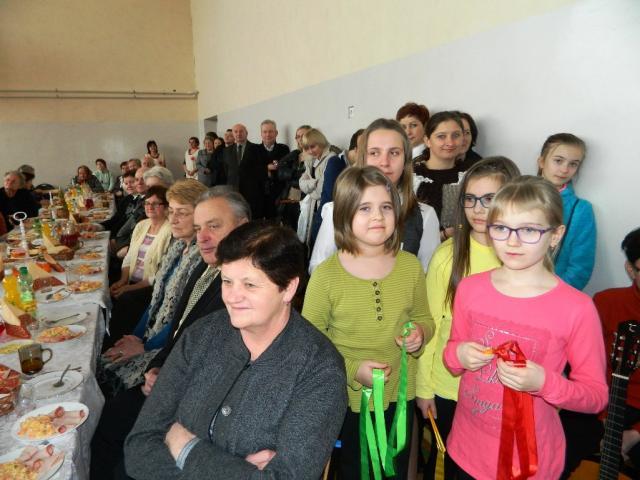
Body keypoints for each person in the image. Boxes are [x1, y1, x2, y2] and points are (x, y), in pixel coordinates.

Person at [124, 222, 348, 479]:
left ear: (288, 288)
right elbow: (139, 445)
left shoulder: (319, 370)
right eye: (227, 281)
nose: (232, 297)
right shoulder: (201, 335)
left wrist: (185, 447)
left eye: (250, 285)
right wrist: (237, 471)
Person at [442, 175, 608, 479]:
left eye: (529, 230)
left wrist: (544, 382)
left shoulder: (577, 309)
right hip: (465, 450)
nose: (512, 241)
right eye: (501, 228)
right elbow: (451, 356)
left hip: (528, 463)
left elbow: (595, 396)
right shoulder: (470, 288)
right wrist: (460, 354)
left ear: (555, 235)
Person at [91, 186, 248, 479]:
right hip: (171, 374)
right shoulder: (206, 267)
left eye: (214, 226)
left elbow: (224, 364)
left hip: (192, 401)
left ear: (242, 227)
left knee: (118, 448)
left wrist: (165, 378)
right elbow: (179, 328)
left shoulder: (243, 284)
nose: (202, 237)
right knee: (106, 417)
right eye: (199, 228)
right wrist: (156, 367)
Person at [303, 166, 433, 478]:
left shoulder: (410, 267)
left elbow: (424, 318)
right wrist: (352, 369)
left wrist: (419, 334)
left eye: (386, 207)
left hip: (399, 396)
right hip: (348, 400)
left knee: (394, 469)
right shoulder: (326, 276)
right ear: (344, 214)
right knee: (354, 470)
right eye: (365, 208)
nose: (378, 216)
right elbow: (310, 344)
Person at [416, 157, 521, 479]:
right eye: (471, 199)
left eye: (489, 199)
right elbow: (431, 323)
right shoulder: (447, 256)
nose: (478, 209)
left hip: (501, 391)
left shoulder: (523, 256)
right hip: (449, 388)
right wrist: (424, 388)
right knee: (449, 467)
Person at [100, 180, 208, 390]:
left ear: (201, 216)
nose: (173, 219)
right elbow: (156, 301)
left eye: (182, 213)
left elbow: (185, 318)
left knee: (111, 378)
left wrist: (145, 346)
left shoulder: (202, 258)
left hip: (170, 346)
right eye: (171, 211)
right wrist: (135, 336)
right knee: (104, 362)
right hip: (152, 334)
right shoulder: (178, 247)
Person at [310, 118, 440, 273]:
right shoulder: (336, 209)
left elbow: (427, 275)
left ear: (405, 159)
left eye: (394, 153)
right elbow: (318, 268)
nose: (384, 162)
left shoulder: (425, 215)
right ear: (363, 158)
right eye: (374, 153)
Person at [593, 227, 640, 471]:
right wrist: (604, 418)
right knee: (557, 453)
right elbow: (589, 367)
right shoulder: (605, 302)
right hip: (603, 402)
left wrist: (636, 434)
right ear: (630, 269)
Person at [537, 132, 595, 290]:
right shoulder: (517, 196)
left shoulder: (581, 210)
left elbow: (580, 268)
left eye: (573, 164)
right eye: (558, 161)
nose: (564, 169)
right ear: (541, 161)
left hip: (554, 293)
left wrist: (553, 294)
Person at [110, 185, 171, 298]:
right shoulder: (141, 225)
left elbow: (163, 272)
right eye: (147, 203)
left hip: (151, 288)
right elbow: (129, 257)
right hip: (131, 281)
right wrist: (123, 280)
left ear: (166, 207)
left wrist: (131, 288)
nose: (150, 207)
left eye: (155, 204)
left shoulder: (170, 231)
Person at [414, 111, 466, 235]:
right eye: (441, 136)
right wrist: (443, 236)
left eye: (456, 135)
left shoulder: (470, 176)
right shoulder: (412, 176)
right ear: (427, 140)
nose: (450, 142)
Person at [298, 128, 338, 246]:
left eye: (313, 146)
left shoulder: (331, 159)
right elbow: (301, 183)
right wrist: (314, 183)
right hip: (313, 208)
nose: (310, 151)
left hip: (324, 209)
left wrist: (309, 186)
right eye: (307, 148)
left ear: (320, 142)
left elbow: (321, 191)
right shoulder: (310, 160)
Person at [221, 123, 269, 219]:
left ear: (246, 133)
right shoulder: (226, 151)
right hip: (234, 191)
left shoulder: (257, 149)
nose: (238, 134)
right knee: (236, 218)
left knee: (252, 218)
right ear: (233, 134)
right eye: (236, 132)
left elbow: (262, 171)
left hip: (252, 192)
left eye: (241, 131)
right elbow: (226, 171)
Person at [319, 128, 364, 221]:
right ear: (355, 149)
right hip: (328, 220)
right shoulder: (335, 162)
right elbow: (333, 196)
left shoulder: (362, 167)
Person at [277, 124, 311, 229]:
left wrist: (291, 178)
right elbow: (280, 172)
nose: (300, 139)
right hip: (289, 201)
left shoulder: (315, 155)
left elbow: (308, 180)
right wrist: (296, 174)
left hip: (306, 202)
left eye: (303, 135)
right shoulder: (295, 154)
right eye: (298, 136)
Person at [259, 119, 291, 219]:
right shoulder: (254, 150)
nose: (267, 134)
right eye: (265, 132)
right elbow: (251, 171)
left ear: (276, 133)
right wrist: (266, 168)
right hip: (260, 195)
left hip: (279, 195)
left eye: (270, 131)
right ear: (261, 134)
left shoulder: (284, 149)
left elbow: (287, 169)